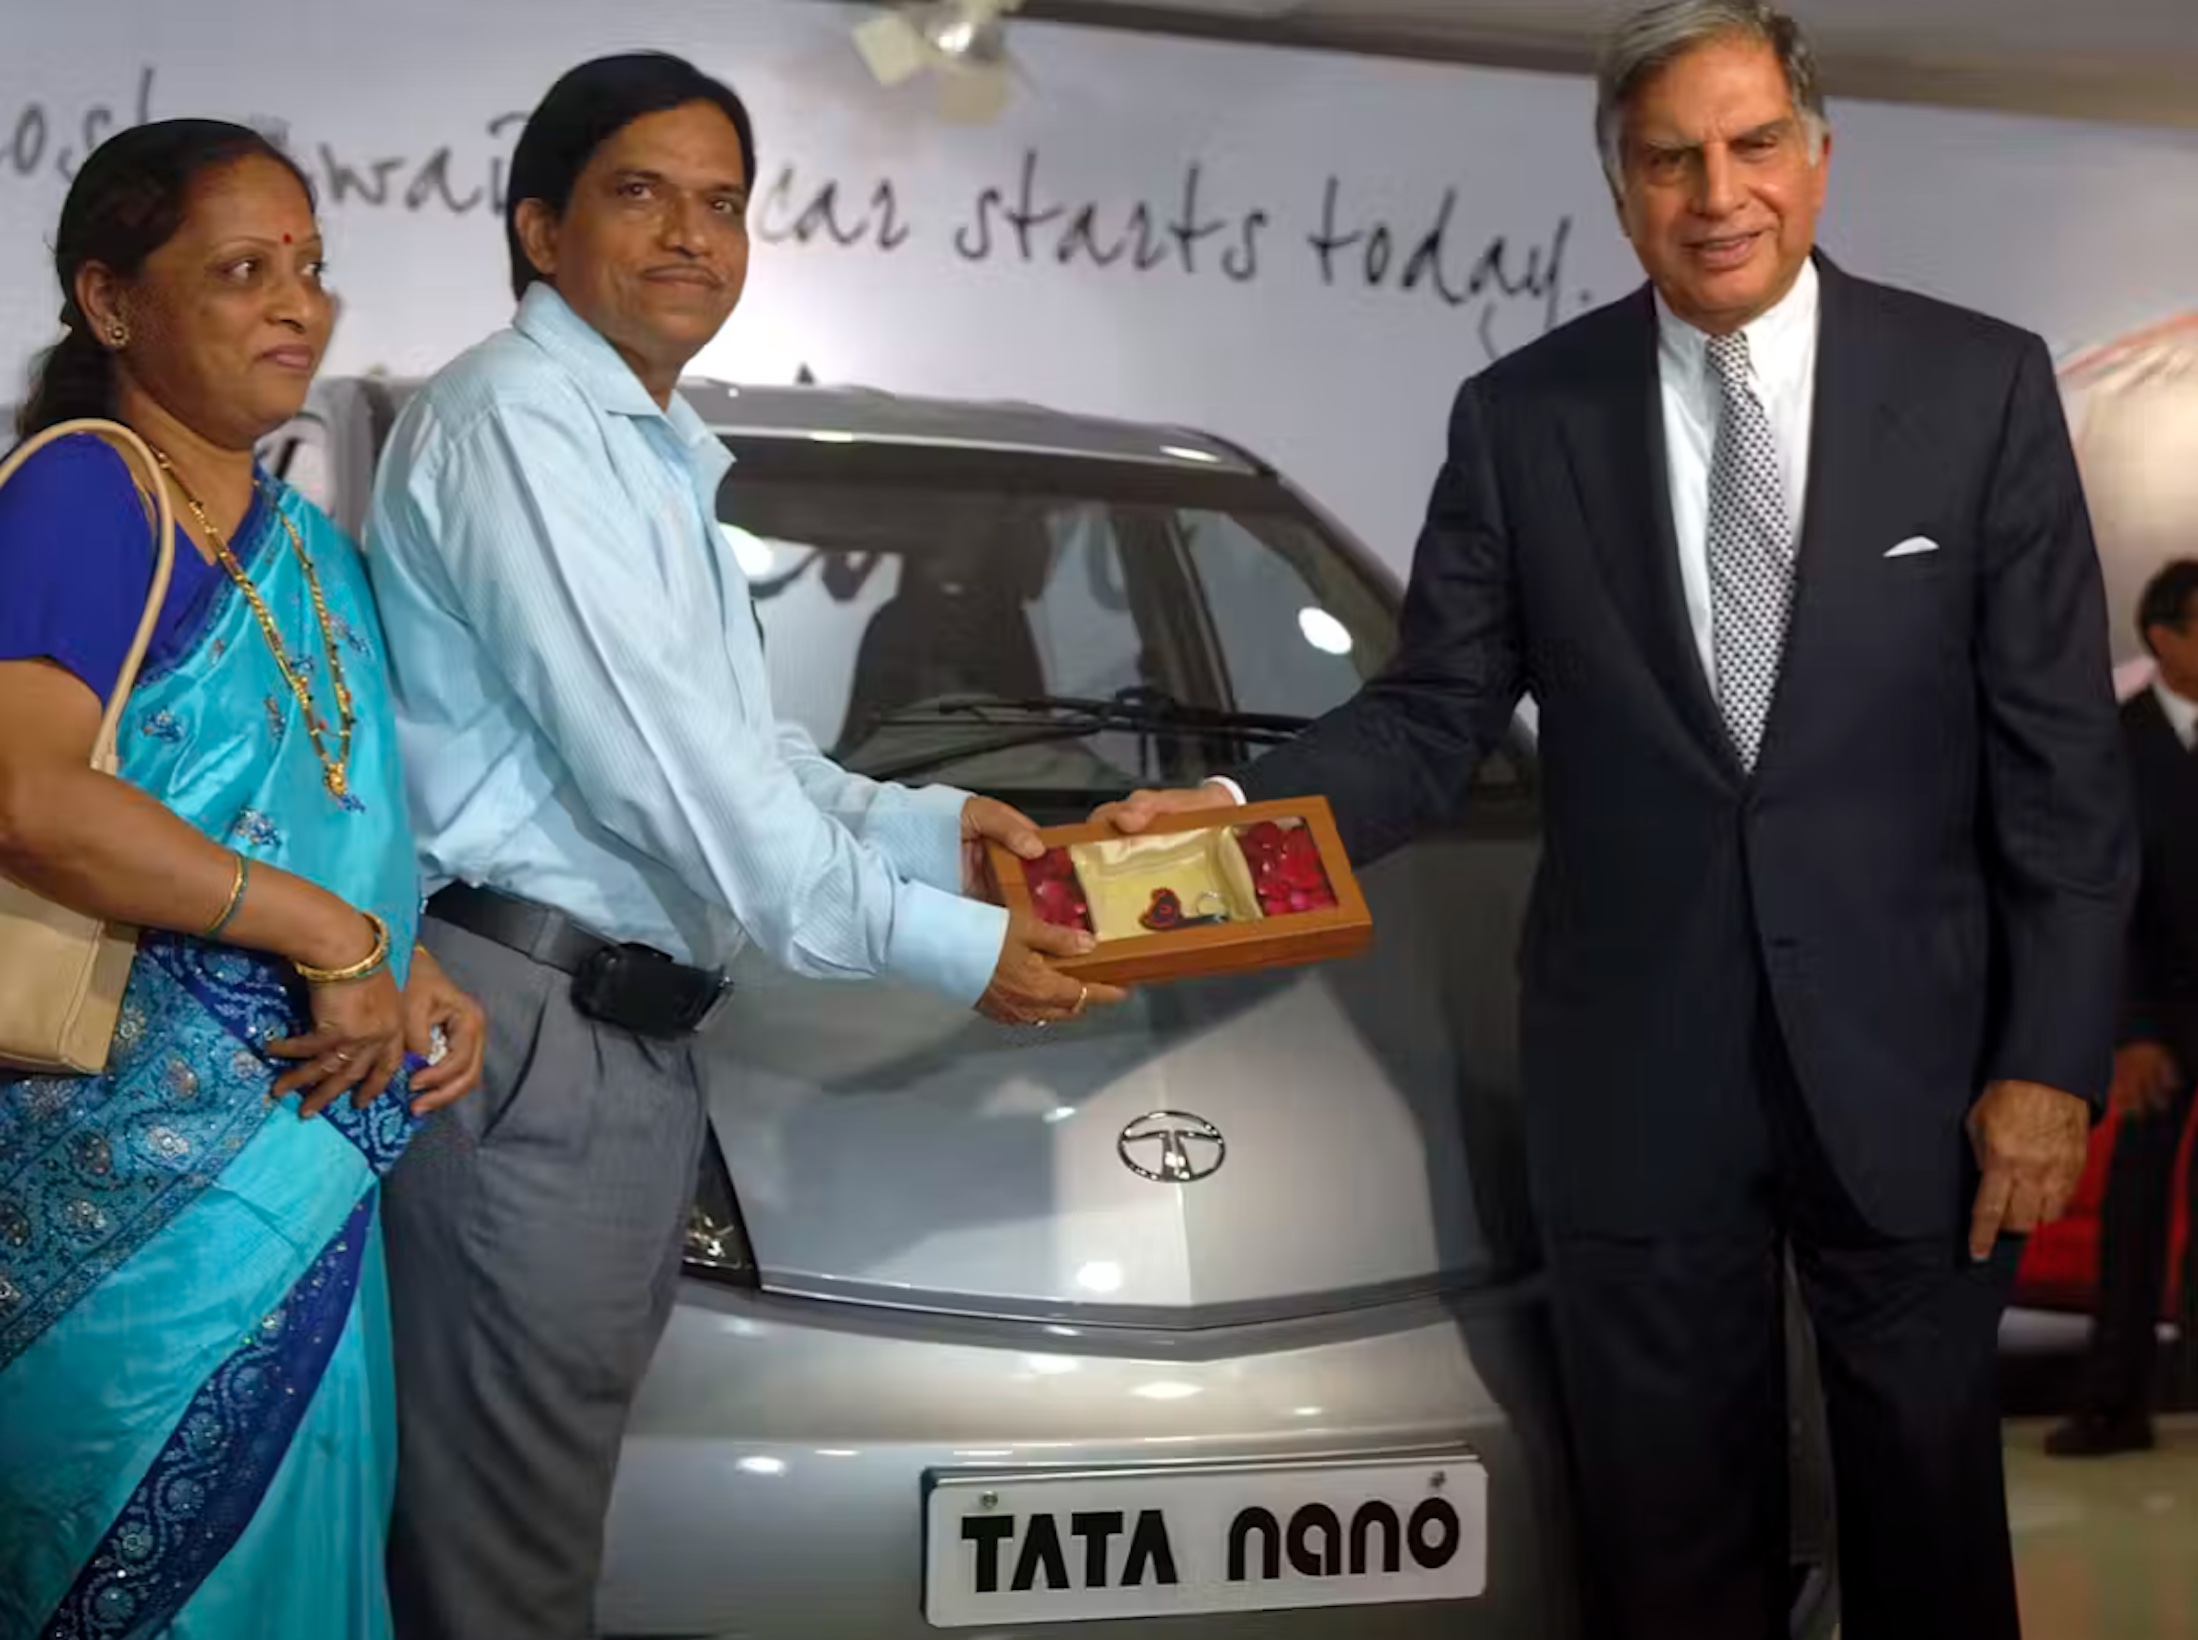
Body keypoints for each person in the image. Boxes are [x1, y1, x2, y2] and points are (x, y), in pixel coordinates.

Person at [1101, 3, 2135, 1635]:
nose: (1712, 192)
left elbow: (2063, 773)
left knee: (1927, 1537)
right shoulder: (1523, 419)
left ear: (1814, 158)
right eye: (1667, 159)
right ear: (1616, 182)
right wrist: (1227, 824)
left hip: (1922, 1087)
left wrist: (2047, 1067)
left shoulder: (1974, 388)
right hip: (1634, 1077)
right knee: (1664, 1549)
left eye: (1748, 147)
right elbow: (1430, 720)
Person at [363, 53, 1117, 1639]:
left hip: (616, 1038)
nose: (694, 236)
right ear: (538, 226)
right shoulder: (515, 421)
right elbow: (672, 779)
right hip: (528, 1026)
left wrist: (935, 826)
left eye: (723, 203)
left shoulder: (646, 439)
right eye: (643, 194)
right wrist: (952, 945)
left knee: (537, 1541)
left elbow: (735, 751)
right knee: (502, 1574)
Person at [0, 121, 484, 1639]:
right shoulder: (89, 493)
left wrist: (407, 963)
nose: (298, 305)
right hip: (125, 1186)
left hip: (310, 1145)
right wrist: (328, 933)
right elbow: (27, 794)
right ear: (111, 300)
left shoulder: (309, 548)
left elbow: (337, 828)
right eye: (242, 271)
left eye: (312, 270)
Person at [2049, 559, 2198, 1459]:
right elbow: (2101, 892)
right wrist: (2131, 1030)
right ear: (2165, 638)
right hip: (2156, 1020)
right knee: (2135, 1216)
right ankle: (2114, 1404)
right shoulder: (2116, 739)